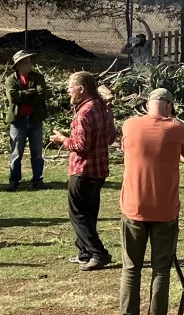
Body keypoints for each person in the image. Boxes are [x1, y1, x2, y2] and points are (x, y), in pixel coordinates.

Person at [118, 89, 184, 315]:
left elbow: (127, 150)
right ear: (169, 106)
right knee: (161, 270)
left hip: (134, 208)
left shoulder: (129, 125)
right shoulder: (177, 128)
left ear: (146, 104)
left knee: (131, 269)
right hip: (165, 210)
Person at [49, 71, 115, 271]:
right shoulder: (103, 108)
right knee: (90, 213)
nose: (68, 90)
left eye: (71, 86)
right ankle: (84, 252)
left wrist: (62, 140)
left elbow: (81, 145)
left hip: (83, 171)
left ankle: (98, 253)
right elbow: (111, 137)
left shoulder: (84, 113)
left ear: (82, 88)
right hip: (99, 170)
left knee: (78, 215)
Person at [2, 51, 49, 191]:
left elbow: (41, 95)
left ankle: (37, 180)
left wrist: (22, 95)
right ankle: (14, 181)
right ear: (18, 65)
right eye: (27, 62)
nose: (30, 64)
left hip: (35, 119)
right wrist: (31, 92)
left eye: (30, 61)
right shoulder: (11, 79)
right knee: (16, 152)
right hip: (18, 121)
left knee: (37, 152)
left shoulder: (38, 77)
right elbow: (13, 97)